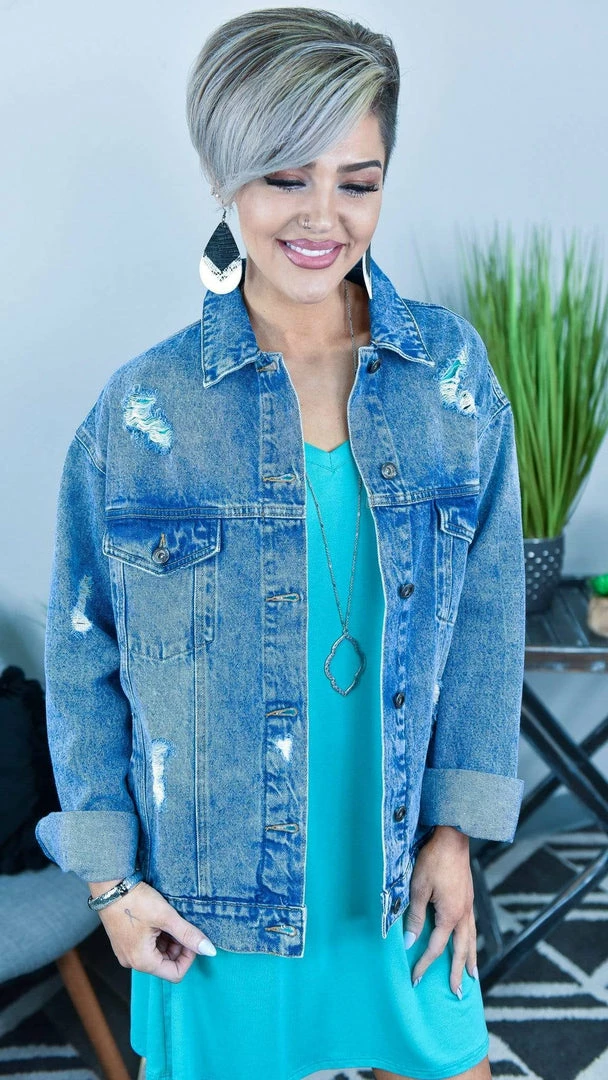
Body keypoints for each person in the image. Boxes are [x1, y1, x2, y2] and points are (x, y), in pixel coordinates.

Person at [35, 7, 527, 1080]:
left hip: (393, 865)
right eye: (285, 177)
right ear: (226, 180)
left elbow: (488, 620)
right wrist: (112, 887)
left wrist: (453, 836)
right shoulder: (144, 413)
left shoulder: (450, 379)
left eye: (357, 182)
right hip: (211, 891)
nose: (322, 217)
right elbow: (80, 659)